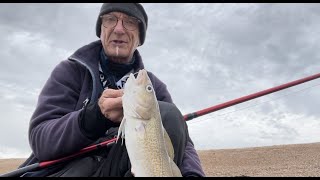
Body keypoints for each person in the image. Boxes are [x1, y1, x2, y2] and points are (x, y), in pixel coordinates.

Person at [18, 3, 205, 177]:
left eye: (130, 22)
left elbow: (183, 140)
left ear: (140, 38)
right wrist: (93, 118)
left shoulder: (152, 86)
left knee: (169, 115)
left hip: (120, 167)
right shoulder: (70, 71)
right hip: (71, 170)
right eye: (110, 19)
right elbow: (40, 139)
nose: (119, 29)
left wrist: (192, 174)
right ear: (101, 30)